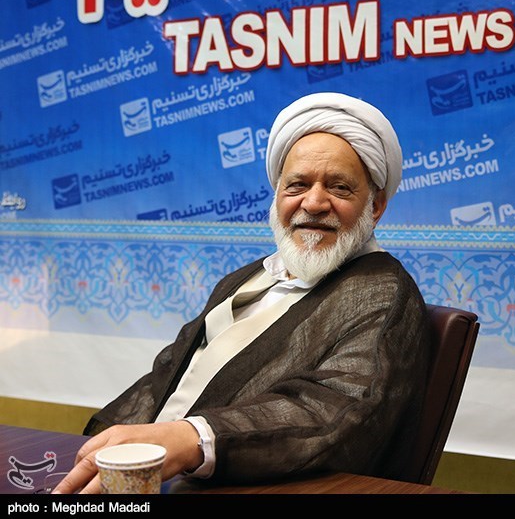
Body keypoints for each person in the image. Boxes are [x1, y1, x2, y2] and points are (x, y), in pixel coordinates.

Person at [54, 92, 431, 494]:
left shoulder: (383, 294)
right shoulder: (246, 278)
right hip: (144, 478)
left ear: (375, 206)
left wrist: (190, 439)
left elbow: (333, 408)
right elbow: (165, 378)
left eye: (339, 188)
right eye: (298, 185)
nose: (314, 202)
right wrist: (102, 446)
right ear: (278, 195)